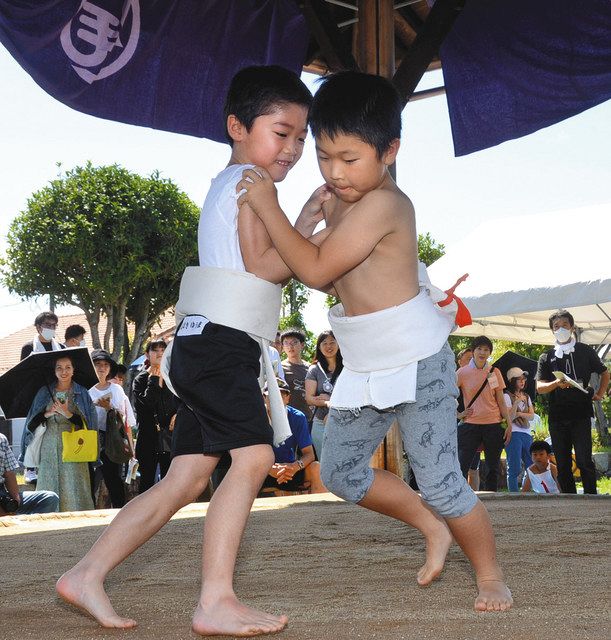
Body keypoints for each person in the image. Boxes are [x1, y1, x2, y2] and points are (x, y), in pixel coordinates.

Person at [57, 65, 324, 635]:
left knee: (184, 478)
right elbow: (267, 269)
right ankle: (215, 600)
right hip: (221, 342)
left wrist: (297, 222)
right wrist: (314, 236)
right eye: (282, 132)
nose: (294, 148)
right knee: (253, 458)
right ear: (237, 125)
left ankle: (86, 573)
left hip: (204, 339)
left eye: (302, 136)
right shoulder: (255, 184)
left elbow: (257, 267)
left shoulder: (229, 182)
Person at [237, 70, 512, 611]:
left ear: (390, 151)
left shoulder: (387, 205)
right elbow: (269, 265)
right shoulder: (334, 200)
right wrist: (294, 214)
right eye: (323, 156)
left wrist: (270, 208)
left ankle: (489, 575)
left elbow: (314, 270)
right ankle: (431, 528)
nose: (335, 173)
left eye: (350, 159)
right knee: (338, 471)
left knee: (440, 480)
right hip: (364, 364)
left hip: (419, 361)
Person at [536, 310, 609, 494]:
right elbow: (539, 387)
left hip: (581, 414)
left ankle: (591, 496)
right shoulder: (546, 356)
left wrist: (600, 393)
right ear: (552, 331)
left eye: (564, 325)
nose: (560, 329)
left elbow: (604, 372)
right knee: (562, 461)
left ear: (572, 327)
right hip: (557, 416)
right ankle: (569, 499)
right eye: (556, 327)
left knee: (584, 460)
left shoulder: (585, 351)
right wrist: (555, 383)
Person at [23, 355, 98, 512]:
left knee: (74, 481)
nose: (64, 371)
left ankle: (78, 515)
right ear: (54, 371)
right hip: (49, 443)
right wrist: (47, 414)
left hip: (74, 443)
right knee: (49, 478)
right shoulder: (44, 391)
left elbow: (89, 424)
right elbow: (32, 422)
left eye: (67, 367)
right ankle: (49, 514)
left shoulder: (82, 392)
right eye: (59, 368)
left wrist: (67, 414)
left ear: (73, 370)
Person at [456, 336, 511, 492]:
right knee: (462, 465)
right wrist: (458, 414)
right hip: (470, 424)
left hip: (493, 423)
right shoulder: (462, 372)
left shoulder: (494, 372)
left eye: (486, 349)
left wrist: (508, 424)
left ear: (490, 353)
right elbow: (447, 395)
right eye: (479, 348)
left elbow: (500, 400)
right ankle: (460, 497)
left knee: (492, 467)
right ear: (473, 351)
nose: (482, 352)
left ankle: (491, 497)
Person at [20, 311, 65, 484]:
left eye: (54, 326)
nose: (51, 329)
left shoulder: (60, 347)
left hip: (56, 393)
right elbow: (24, 373)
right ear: (38, 327)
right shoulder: (29, 347)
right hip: (36, 394)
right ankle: (30, 468)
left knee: (53, 430)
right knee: (34, 429)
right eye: (47, 325)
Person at [88, 350, 136, 509]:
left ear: (109, 369)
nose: (101, 368)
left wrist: (110, 408)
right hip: (90, 438)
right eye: (98, 365)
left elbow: (124, 417)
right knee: (90, 479)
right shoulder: (86, 390)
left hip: (111, 439)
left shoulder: (116, 389)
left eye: (105, 365)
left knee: (113, 479)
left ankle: (119, 511)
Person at [261, 379, 326, 494]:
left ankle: (320, 511)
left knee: (316, 468)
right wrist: (269, 469)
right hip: (262, 471)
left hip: (291, 470)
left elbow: (309, 454)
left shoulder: (297, 417)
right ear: (264, 398)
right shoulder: (256, 419)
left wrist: (295, 467)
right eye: (271, 396)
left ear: (287, 398)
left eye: (280, 395)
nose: (275, 400)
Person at [132, 339, 177, 494]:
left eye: (162, 350)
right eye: (155, 350)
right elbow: (145, 405)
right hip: (148, 438)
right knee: (147, 483)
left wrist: (178, 414)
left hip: (170, 437)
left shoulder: (173, 376)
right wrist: (153, 381)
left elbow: (183, 401)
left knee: (171, 480)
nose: (159, 353)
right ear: (147, 354)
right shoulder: (140, 379)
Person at [0, 432, 59, 515]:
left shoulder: (1, 439)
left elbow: (9, 474)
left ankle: (30, 526)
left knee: (50, 498)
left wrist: (16, 501)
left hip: (3, 494)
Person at [305, 330, 343, 459]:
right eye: (324, 343)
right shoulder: (314, 369)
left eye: (332, 342)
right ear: (319, 347)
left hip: (344, 421)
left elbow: (354, 395)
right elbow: (309, 398)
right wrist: (327, 402)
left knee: (345, 463)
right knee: (325, 463)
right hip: (321, 423)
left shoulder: (348, 367)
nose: (329, 346)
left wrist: (331, 400)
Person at [503, 367, 534, 492]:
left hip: (526, 433)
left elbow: (531, 416)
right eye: (519, 379)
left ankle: (527, 492)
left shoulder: (526, 396)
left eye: (524, 379)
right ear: (512, 381)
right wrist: (516, 404)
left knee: (531, 466)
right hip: (513, 433)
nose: (522, 382)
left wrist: (520, 414)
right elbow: (509, 417)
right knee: (514, 467)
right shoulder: (506, 395)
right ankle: (513, 494)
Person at [281, 328, 313, 421]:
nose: (290, 346)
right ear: (282, 347)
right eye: (286, 343)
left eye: (294, 342)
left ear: (302, 345)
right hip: (289, 418)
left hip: (309, 417)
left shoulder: (311, 368)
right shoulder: (280, 368)